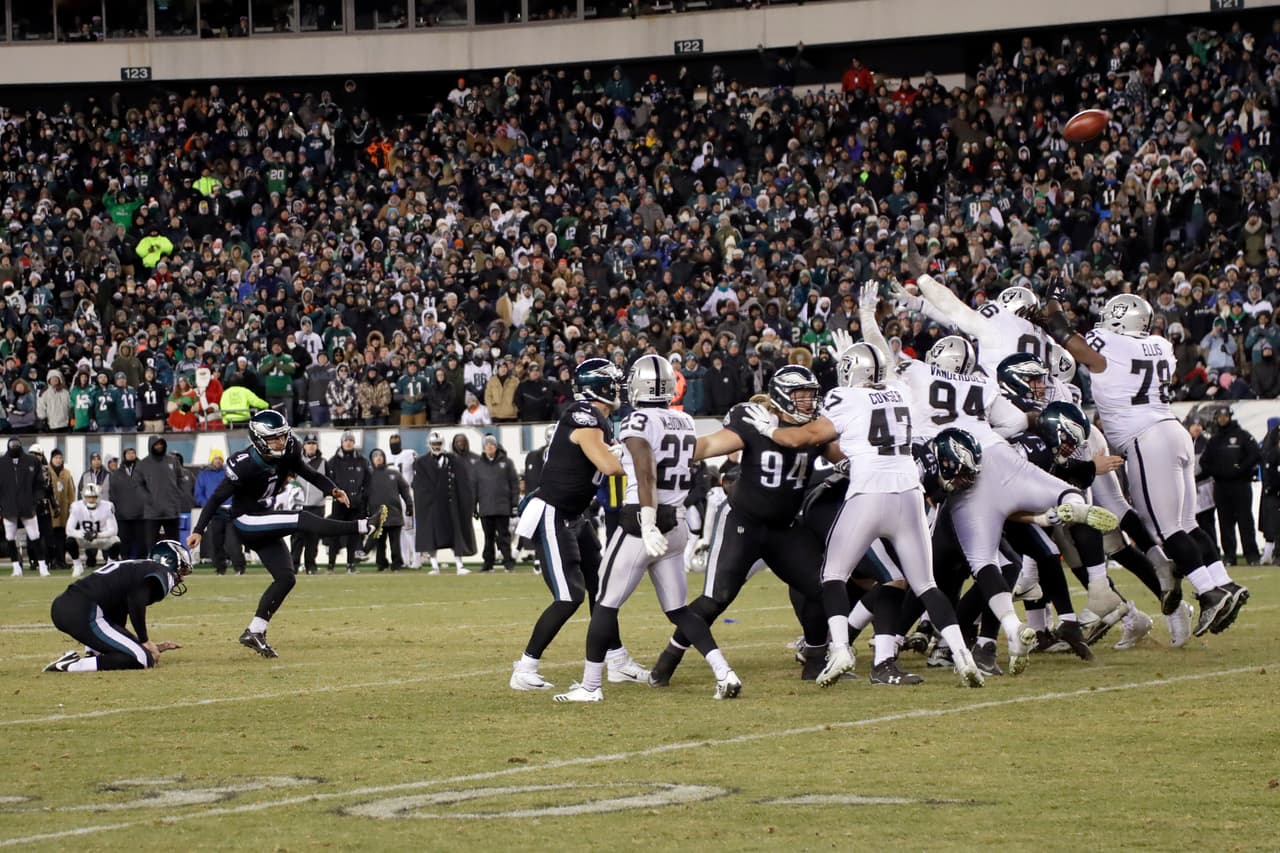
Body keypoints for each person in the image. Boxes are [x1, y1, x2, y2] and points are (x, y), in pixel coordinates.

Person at [748, 283, 985, 687]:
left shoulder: (844, 398)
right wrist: (869, 324)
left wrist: (769, 427)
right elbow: (887, 366)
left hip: (869, 492)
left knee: (833, 575)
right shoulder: (898, 392)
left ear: (846, 372)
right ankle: (964, 656)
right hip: (909, 493)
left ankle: (840, 650)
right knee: (925, 583)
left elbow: (803, 438)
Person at [1047, 292, 1249, 637]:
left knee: (1164, 530)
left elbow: (1075, 344)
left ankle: (1208, 592)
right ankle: (1223, 582)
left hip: (1146, 437)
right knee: (1186, 524)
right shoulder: (1159, 344)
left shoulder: (1109, 342)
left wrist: (1052, 309)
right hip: (1174, 430)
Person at [555, 355, 739, 702]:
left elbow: (644, 470)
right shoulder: (684, 420)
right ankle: (724, 671)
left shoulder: (636, 419)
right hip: (678, 521)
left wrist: (647, 519)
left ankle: (591, 686)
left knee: (606, 603)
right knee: (678, 610)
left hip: (643, 521)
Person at [648, 365, 831, 686]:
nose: (807, 402)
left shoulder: (813, 429)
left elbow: (843, 453)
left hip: (785, 529)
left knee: (820, 587)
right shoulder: (754, 422)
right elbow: (707, 446)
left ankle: (816, 659)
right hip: (744, 525)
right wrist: (666, 452)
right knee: (715, 598)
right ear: (782, 397)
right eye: (800, 396)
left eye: (810, 395)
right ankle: (666, 662)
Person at [187, 411, 388, 658]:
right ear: (259, 439)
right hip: (246, 520)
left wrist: (332, 489)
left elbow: (308, 473)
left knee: (286, 577)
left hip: (263, 516)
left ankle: (255, 631)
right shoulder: (245, 464)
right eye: (274, 438)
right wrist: (199, 529)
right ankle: (363, 526)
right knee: (300, 518)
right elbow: (217, 497)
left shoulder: (290, 449)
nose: (281, 442)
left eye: (283, 436)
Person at [510, 359, 645, 691]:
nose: (619, 389)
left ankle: (616, 661)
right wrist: (639, 457)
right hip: (553, 512)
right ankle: (525, 668)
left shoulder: (598, 419)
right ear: (598, 386)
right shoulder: (582, 415)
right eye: (613, 384)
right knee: (570, 596)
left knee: (604, 591)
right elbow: (609, 466)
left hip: (575, 516)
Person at [43, 540, 192, 673]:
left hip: (71, 606)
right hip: (84, 609)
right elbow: (136, 600)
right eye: (182, 571)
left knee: (138, 653)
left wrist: (140, 644)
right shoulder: (162, 572)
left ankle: (91, 655)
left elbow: (117, 617)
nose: (182, 578)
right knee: (142, 659)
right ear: (170, 561)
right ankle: (72, 666)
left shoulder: (136, 568)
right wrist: (144, 640)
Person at [1201, 408, 1263, 566]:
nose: (1222, 419)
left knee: (1245, 521)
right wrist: (1218, 472)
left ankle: (1252, 556)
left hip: (1241, 485)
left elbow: (1256, 454)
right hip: (1221, 486)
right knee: (1224, 522)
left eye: (1224, 416)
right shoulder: (1214, 440)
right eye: (1219, 417)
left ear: (1230, 417)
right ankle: (1229, 556)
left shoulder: (1242, 435)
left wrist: (1240, 469)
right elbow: (1204, 462)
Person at [411, 432, 476, 574]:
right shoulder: (421, 463)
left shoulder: (454, 460)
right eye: (434, 444)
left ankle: (460, 565)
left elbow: (463, 482)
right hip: (432, 505)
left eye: (439, 444)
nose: (436, 447)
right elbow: (418, 486)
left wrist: (466, 503)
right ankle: (434, 566)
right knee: (430, 536)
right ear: (429, 445)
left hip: (450, 504)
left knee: (455, 535)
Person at [1, 438, 50, 577]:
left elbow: (39, 484)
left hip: (28, 506)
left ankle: (42, 566)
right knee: (10, 538)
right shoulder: (1, 463)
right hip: (9, 507)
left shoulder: (32, 461)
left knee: (35, 536)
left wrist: (36, 501)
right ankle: (16, 567)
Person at [327, 431, 371, 573]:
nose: (348, 442)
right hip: (339, 504)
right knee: (334, 533)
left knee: (354, 535)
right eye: (346, 440)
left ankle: (351, 564)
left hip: (356, 504)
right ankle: (331, 565)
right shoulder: (333, 461)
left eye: (351, 440)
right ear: (342, 442)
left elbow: (368, 483)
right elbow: (328, 482)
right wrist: (336, 495)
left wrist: (363, 499)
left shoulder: (362, 461)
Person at [194, 449, 245, 575]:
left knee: (233, 542)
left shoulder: (228, 473)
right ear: (211, 460)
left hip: (230, 511)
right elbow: (198, 494)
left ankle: (239, 568)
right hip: (214, 513)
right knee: (216, 542)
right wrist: (208, 506)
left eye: (220, 459)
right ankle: (220, 569)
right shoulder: (203, 475)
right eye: (216, 458)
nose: (218, 461)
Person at [475, 435, 518, 572]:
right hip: (485, 507)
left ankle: (508, 562)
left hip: (502, 506)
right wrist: (473, 506)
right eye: (487, 445)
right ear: (483, 448)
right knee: (488, 538)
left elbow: (514, 484)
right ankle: (488, 562)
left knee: (504, 536)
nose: (489, 447)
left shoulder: (507, 462)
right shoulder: (478, 464)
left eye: (492, 445)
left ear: (496, 446)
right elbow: (474, 486)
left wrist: (514, 503)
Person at [367, 449, 413, 571]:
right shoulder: (368, 475)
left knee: (395, 543)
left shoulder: (394, 474)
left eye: (380, 455)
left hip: (394, 514)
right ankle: (381, 564)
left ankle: (397, 564)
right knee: (379, 543)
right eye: (375, 456)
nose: (378, 458)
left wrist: (409, 505)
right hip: (376, 515)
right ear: (371, 459)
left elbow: (405, 490)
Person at [290, 434, 329, 575]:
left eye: (313, 443)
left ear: (317, 446)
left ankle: (310, 565)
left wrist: (323, 496)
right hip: (299, 506)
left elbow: (329, 481)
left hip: (317, 506)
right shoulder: (297, 462)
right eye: (308, 443)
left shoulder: (324, 463)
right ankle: (293, 565)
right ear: (304, 446)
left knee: (313, 538)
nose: (311, 445)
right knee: (297, 538)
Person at [137, 436, 183, 550]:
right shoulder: (143, 464)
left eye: (161, 444)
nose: (159, 446)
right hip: (152, 512)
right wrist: (149, 499)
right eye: (156, 444)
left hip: (171, 510)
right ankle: (152, 565)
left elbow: (181, 479)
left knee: (174, 543)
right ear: (151, 446)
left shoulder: (173, 460)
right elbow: (138, 485)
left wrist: (176, 497)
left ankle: (175, 565)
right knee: (151, 543)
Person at [66, 482, 120, 577]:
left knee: (116, 541)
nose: (91, 499)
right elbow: (69, 529)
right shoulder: (77, 506)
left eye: (94, 497)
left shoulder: (107, 506)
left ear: (98, 496)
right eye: (88, 497)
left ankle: (110, 566)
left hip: (100, 538)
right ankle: (78, 565)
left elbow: (114, 530)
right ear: (84, 497)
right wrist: (83, 534)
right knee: (70, 540)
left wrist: (97, 535)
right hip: (85, 538)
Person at [386, 434, 419, 569]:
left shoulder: (409, 454)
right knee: (399, 529)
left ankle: (417, 559)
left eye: (396, 441)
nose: (394, 444)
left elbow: (418, 471)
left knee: (410, 528)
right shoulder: (386, 457)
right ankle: (405, 559)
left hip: (406, 495)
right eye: (392, 441)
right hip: (393, 496)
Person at [108, 447, 146, 559]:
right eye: (128, 453)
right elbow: (113, 494)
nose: (131, 455)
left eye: (133, 453)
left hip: (141, 514)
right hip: (122, 515)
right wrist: (116, 510)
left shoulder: (143, 470)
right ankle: (125, 561)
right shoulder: (117, 474)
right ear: (124, 455)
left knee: (141, 542)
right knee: (124, 542)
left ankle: (141, 563)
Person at [47, 449, 76, 571]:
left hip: (64, 512)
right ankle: (51, 561)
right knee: (50, 537)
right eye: (56, 458)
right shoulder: (47, 471)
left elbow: (71, 491)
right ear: (51, 459)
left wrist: (72, 507)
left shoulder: (67, 473)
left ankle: (61, 561)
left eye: (60, 457)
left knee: (62, 537)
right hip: (50, 510)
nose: (58, 460)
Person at [1261, 419, 1280, 565]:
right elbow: (1268, 470)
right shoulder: (1272, 454)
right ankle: (1275, 555)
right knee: (1274, 524)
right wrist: (1270, 487)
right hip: (1274, 491)